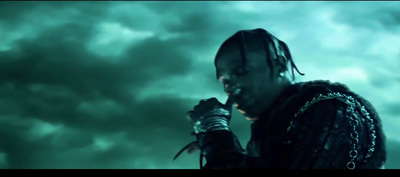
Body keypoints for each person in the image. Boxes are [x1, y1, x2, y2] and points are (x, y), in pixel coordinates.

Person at [175, 28, 386, 169]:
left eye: (241, 71)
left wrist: (215, 135)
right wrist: (222, 145)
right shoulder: (278, 126)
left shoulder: (330, 109)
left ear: (280, 65)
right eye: (225, 82)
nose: (231, 88)